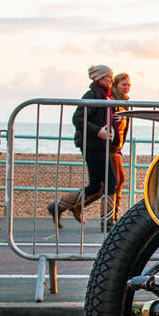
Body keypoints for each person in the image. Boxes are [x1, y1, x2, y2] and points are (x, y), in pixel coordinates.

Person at [47, 65, 118, 228]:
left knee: (95, 185)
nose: (111, 80)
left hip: (99, 144)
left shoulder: (105, 96)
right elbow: (78, 119)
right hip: (93, 145)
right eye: (109, 77)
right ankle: (107, 221)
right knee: (110, 181)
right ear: (99, 78)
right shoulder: (92, 95)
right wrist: (98, 131)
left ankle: (59, 206)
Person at [107, 72, 131, 225]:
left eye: (128, 85)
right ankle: (110, 217)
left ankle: (112, 216)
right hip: (111, 147)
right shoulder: (113, 102)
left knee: (115, 181)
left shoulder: (124, 103)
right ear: (116, 85)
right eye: (124, 84)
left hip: (117, 147)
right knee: (116, 180)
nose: (127, 87)